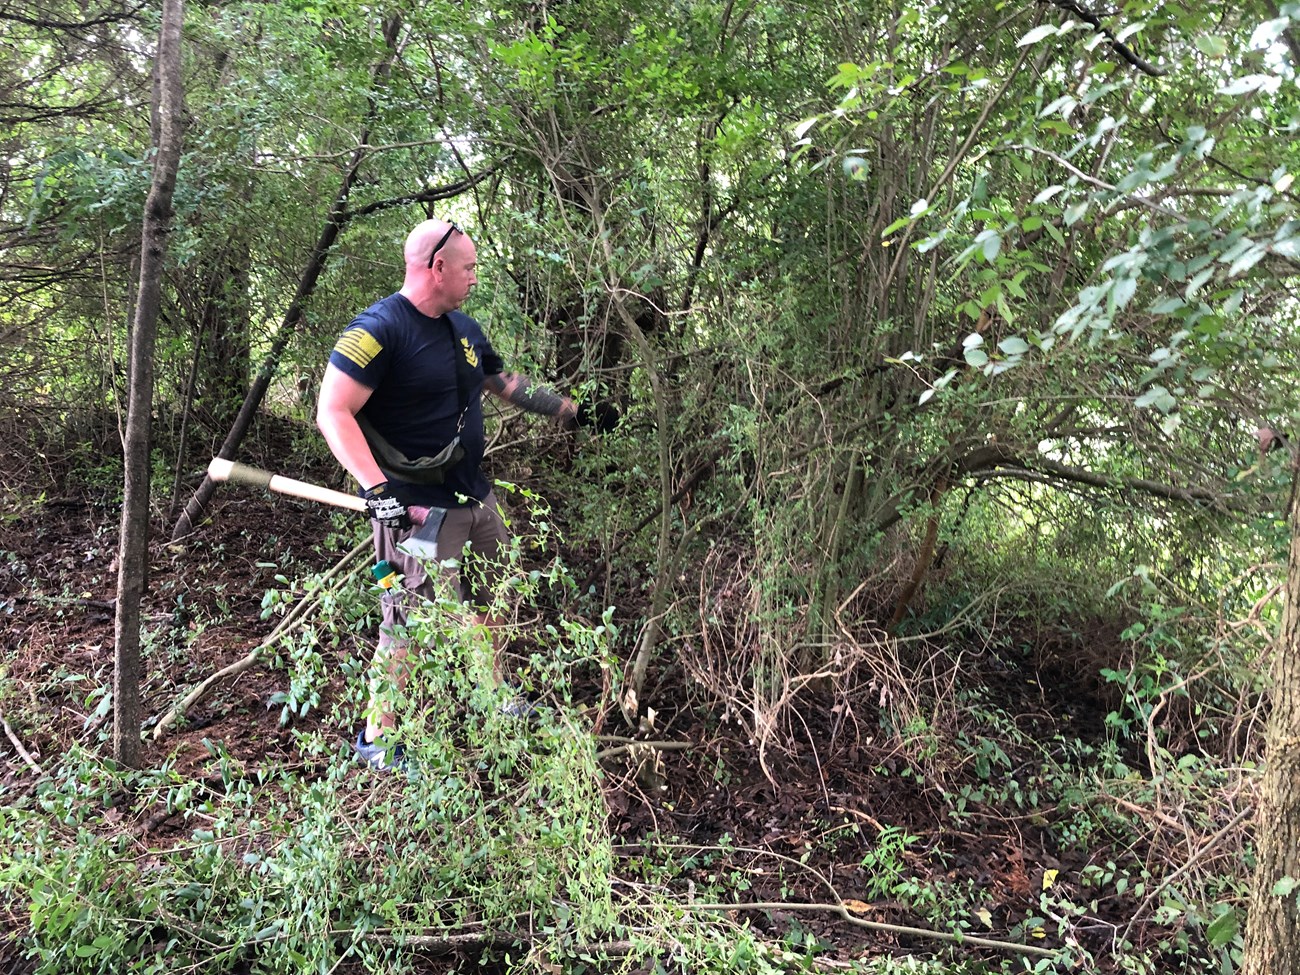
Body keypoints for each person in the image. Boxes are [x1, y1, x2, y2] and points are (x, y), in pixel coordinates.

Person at [316, 219, 616, 769]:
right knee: (403, 619)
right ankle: (377, 740)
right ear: (437, 268)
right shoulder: (379, 330)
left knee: (492, 599)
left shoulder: (463, 328)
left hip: (475, 500)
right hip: (412, 513)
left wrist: (575, 412)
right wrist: (376, 490)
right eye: (469, 267)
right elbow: (332, 411)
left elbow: (503, 384)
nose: (475, 277)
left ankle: (494, 695)